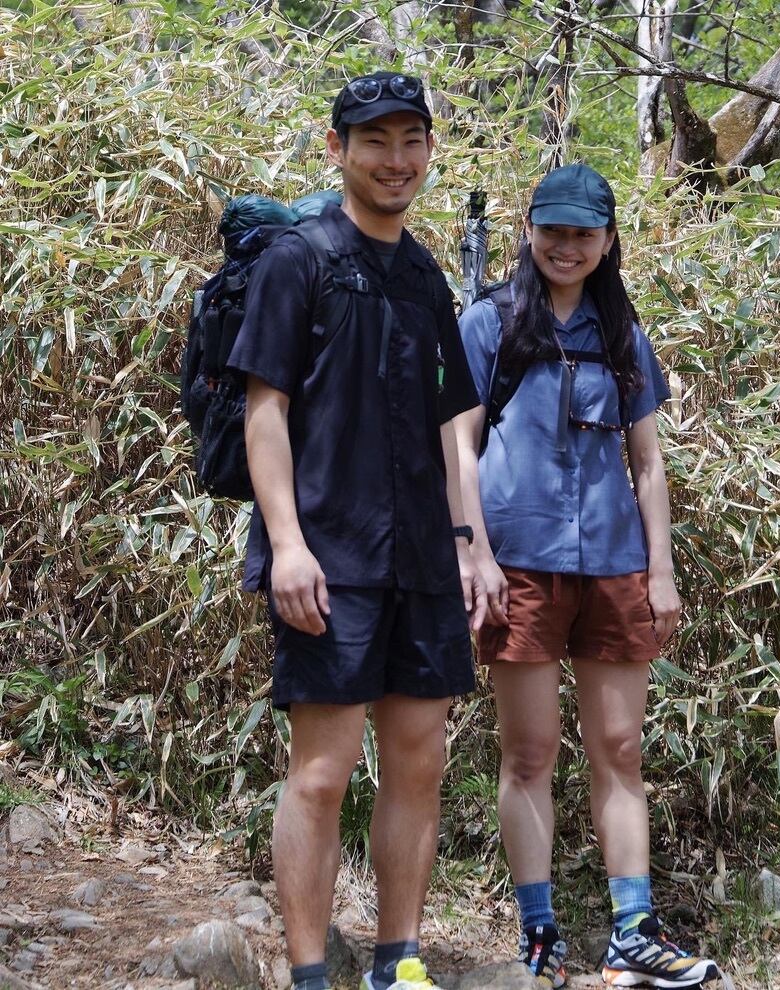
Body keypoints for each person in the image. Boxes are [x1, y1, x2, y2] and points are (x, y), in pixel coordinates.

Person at [226, 72, 486, 990]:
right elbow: (266, 410)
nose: (395, 158)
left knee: (420, 761)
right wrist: (286, 542)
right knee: (323, 771)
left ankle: (396, 958)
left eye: (410, 139)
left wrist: (472, 544)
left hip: (420, 552)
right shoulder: (299, 259)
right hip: (329, 551)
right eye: (374, 140)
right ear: (336, 150)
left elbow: (457, 425)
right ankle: (306, 971)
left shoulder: (424, 275)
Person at [455, 164, 722, 988]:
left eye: (582, 232)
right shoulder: (487, 324)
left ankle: (631, 934)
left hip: (613, 561)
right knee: (529, 752)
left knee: (619, 747)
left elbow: (646, 463)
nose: (564, 247)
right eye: (552, 230)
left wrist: (663, 570)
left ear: (607, 242)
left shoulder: (621, 333)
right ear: (527, 230)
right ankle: (539, 936)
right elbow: (456, 446)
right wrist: (474, 555)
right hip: (520, 561)